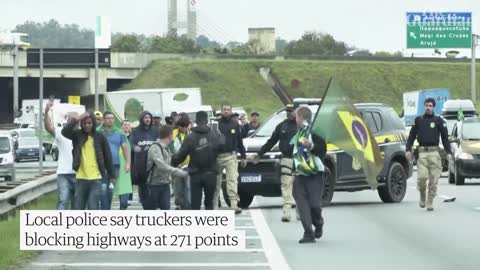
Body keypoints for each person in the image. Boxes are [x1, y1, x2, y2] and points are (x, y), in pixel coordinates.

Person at [62, 111, 115, 210]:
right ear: (82, 124)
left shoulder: (100, 137)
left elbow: (107, 156)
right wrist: (77, 119)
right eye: (85, 123)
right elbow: (64, 132)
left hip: (96, 178)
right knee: (79, 207)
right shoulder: (77, 135)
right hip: (81, 178)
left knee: (93, 206)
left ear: (93, 123)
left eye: (89, 123)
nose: (87, 125)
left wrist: (112, 175)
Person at [406, 98, 452, 211]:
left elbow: (445, 138)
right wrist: (408, 150)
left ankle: (430, 200)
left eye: (430, 105)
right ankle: (422, 193)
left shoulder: (439, 120)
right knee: (422, 178)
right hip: (422, 154)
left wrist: (449, 152)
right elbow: (411, 136)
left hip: (435, 153)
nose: (428, 107)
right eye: (426, 105)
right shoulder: (418, 120)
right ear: (424, 106)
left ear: (433, 107)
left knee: (433, 180)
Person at [173, 111, 225, 210]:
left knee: (195, 204)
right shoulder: (215, 135)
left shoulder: (190, 137)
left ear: (196, 121)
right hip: (211, 173)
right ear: (207, 120)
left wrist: (173, 162)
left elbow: (181, 155)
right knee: (209, 203)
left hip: (195, 173)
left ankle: (197, 223)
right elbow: (223, 147)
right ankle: (208, 223)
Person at [291, 106, 327, 244]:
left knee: (314, 205)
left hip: (315, 174)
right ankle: (308, 233)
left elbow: (323, 150)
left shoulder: (316, 132)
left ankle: (318, 222)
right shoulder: (297, 133)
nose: (295, 120)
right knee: (302, 204)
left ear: (301, 117)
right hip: (300, 174)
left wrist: (311, 146)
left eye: (296, 117)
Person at [255, 104, 297, 222]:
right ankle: (286, 212)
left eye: (291, 111)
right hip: (286, 159)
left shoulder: (302, 125)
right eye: (288, 111)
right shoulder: (281, 126)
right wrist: (259, 154)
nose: (289, 113)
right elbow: (271, 141)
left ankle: (301, 211)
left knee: (300, 186)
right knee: (286, 185)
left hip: (301, 160)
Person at [213, 104, 247, 214]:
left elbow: (240, 141)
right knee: (216, 181)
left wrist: (243, 156)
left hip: (231, 156)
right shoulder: (216, 124)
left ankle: (234, 204)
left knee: (232, 180)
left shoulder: (235, 124)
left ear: (231, 111)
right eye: (224, 110)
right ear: (221, 111)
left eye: (228, 110)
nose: (226, 111)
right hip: (217, 157)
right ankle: (214, 204)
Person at [44, 100, 77, 210]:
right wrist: (46, 111)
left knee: (77, 205)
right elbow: (49, 128)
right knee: (63, 201)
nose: (73, 122)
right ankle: (59, 224)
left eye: (75, 120)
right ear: (66, 119)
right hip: (64, 174)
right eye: (71, 119)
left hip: (80, 174)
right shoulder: (60, 132)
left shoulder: (83, 134)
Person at [145, 125, 188, 210]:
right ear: (170, 135)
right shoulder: (155, 147)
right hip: (154, 185)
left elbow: (170, 163)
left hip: (165, 184)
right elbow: (162, 166)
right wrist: (180, 172)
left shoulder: (166, 148)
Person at [97, 112, 131, 210]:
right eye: (108, 118)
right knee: (103, 189)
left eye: (112, 118)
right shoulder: (98, 131)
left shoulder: (119, 132)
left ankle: (106, 209)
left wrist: (128, 163)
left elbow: (125, 148)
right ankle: (105, 210)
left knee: (110, 189)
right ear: (103, 119)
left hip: (115, 165)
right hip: (101, 165)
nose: (110, 120)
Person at [131, 111, 160, 209]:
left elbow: (160, 143)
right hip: (140, 164)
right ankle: (146, 207)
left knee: (154, 187)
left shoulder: (156, 130)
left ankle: (154, 206)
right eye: (145, 117)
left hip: (154, 164)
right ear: (142, 119)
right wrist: (134, 147)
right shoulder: (135, 131)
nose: (147, 119)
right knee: (143, 188)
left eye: (149, 117)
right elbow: (131, 143)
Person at [170, 113, 192, 210]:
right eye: (182, 126)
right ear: (178, 126)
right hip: (176, 165)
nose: (184, 128)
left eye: (186, 126)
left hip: (188, 165)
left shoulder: (191, 134)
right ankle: (179, 203)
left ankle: (188, 205)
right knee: (177, 186)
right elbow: (170, 147)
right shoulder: (173, 134)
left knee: (188, 187)